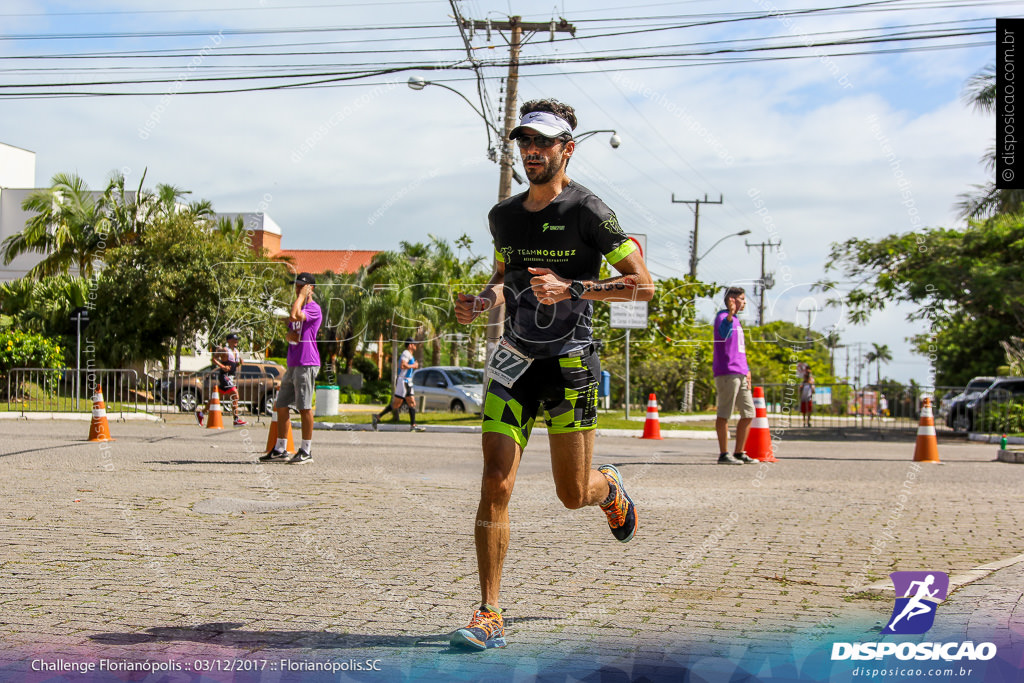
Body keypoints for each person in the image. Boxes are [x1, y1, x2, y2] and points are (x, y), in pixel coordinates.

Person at [450, 99, 654, 650]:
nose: (531, 152)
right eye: (524, 142)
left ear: (568, 148)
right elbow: (505, 276)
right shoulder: (504, 216)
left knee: (572, 494)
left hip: (570, 363)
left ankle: (607, 487)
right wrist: (482, 300)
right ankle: (489, 611)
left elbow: (643, 284)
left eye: (543, 143)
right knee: (496, 481)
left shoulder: (589, 211)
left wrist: (575, 288)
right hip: (515, 361)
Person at [260, 272, 321, 465]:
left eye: (301, 286)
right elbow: (290, 329)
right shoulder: (299, 304)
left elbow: (295, 315)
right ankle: (280, 449)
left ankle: (306, 450)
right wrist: (288, 336)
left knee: (304, 407)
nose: (297, 289)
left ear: (310, 288)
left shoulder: (313, 308)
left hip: (307, 362)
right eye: (296, 286)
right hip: (293, 362)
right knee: (281, 405)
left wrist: (303, 296)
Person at [713, 287, 757, 465]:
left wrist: (747, 370)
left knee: (748, 412)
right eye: (742, 299)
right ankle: (724, 454)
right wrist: (730, 314)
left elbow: (739, 349)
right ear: (732, 300)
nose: (744, 302)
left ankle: (739, 452)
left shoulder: (737, 321)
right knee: (724, 413)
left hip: (740, 372)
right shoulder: (723, 318)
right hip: (727, 372)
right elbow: (723, 333)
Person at [372, 339, 425, 432]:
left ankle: (413, 425)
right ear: (409, 345)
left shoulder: (409, 354)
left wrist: (413, 365)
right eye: (414, 344)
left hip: (408, 382)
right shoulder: (406, 353)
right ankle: (377, 417)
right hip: (403, 381)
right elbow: (402, 365)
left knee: (412, 402)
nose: (415, 345)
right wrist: (414, 365)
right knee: (397, 404)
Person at [194, 333, 246, 427]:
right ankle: (236, 420)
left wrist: (239, 364)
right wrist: (222, 366)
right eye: (234, 340)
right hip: (224, 376)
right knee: (235, 395)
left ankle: (201, 413)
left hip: (230, 377)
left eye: (237, 340)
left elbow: (233, 366)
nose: (236, 342)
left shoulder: (236, 352)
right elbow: (213, 359)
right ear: (229, 340)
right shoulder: (225, 350)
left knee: (216, 397)